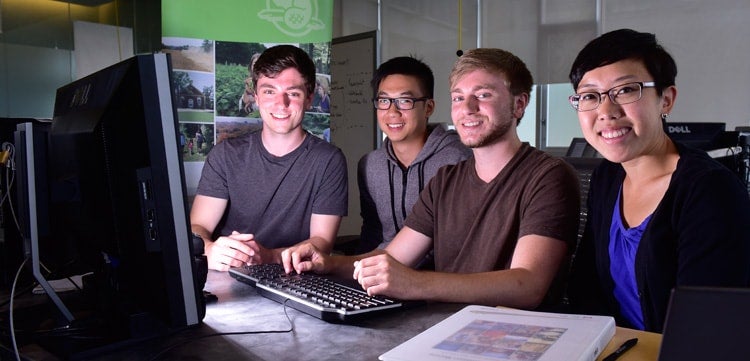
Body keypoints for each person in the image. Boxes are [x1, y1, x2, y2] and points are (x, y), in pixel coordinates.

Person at [282, 48, 580, 309]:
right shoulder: (445, 181)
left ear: (519, 105)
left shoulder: (548, 176)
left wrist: (415, 284)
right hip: (444, 328)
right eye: (458, 98)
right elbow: (394, 258)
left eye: (483, 95)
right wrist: (326, 262)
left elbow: (528, 285)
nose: (467, 108)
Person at [566, 29, 750, 332]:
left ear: (665, 99)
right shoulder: (607, 177)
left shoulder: (709, 191)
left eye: (625, 90)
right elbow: (586, 286)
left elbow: (705, 325)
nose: (606, 111)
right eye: (589, 96)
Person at [191, 45, 348, 271]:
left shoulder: (328, 161)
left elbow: (321, 243)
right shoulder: (225, 155)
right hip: (228, 275)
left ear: (309, 98)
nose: (281, 104)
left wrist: (267, 256)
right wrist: (209, 249)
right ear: (256, 96)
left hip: (294, 279)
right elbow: (198, 226)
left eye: (293, 93)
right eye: (269, 91)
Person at [357, 56, 471, 254]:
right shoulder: (369, 165)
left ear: (428, 107)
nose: (392, 112)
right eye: (384, 100)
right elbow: (372, 233)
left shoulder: (458, 159)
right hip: (383, 273)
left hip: (442, 278)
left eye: (405, 101)